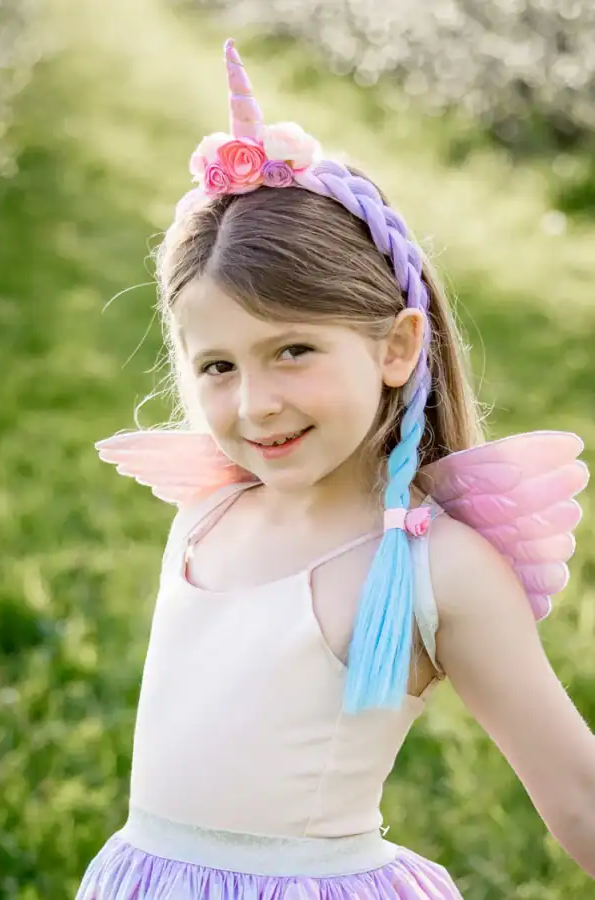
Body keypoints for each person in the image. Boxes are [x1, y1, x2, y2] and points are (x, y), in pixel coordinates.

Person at [76, 39, 594, 899]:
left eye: (293, 351)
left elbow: (579, 796)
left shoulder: (435, 565)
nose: (256, 405)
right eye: (217, 367)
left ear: (396, 347)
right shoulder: (208, 517)